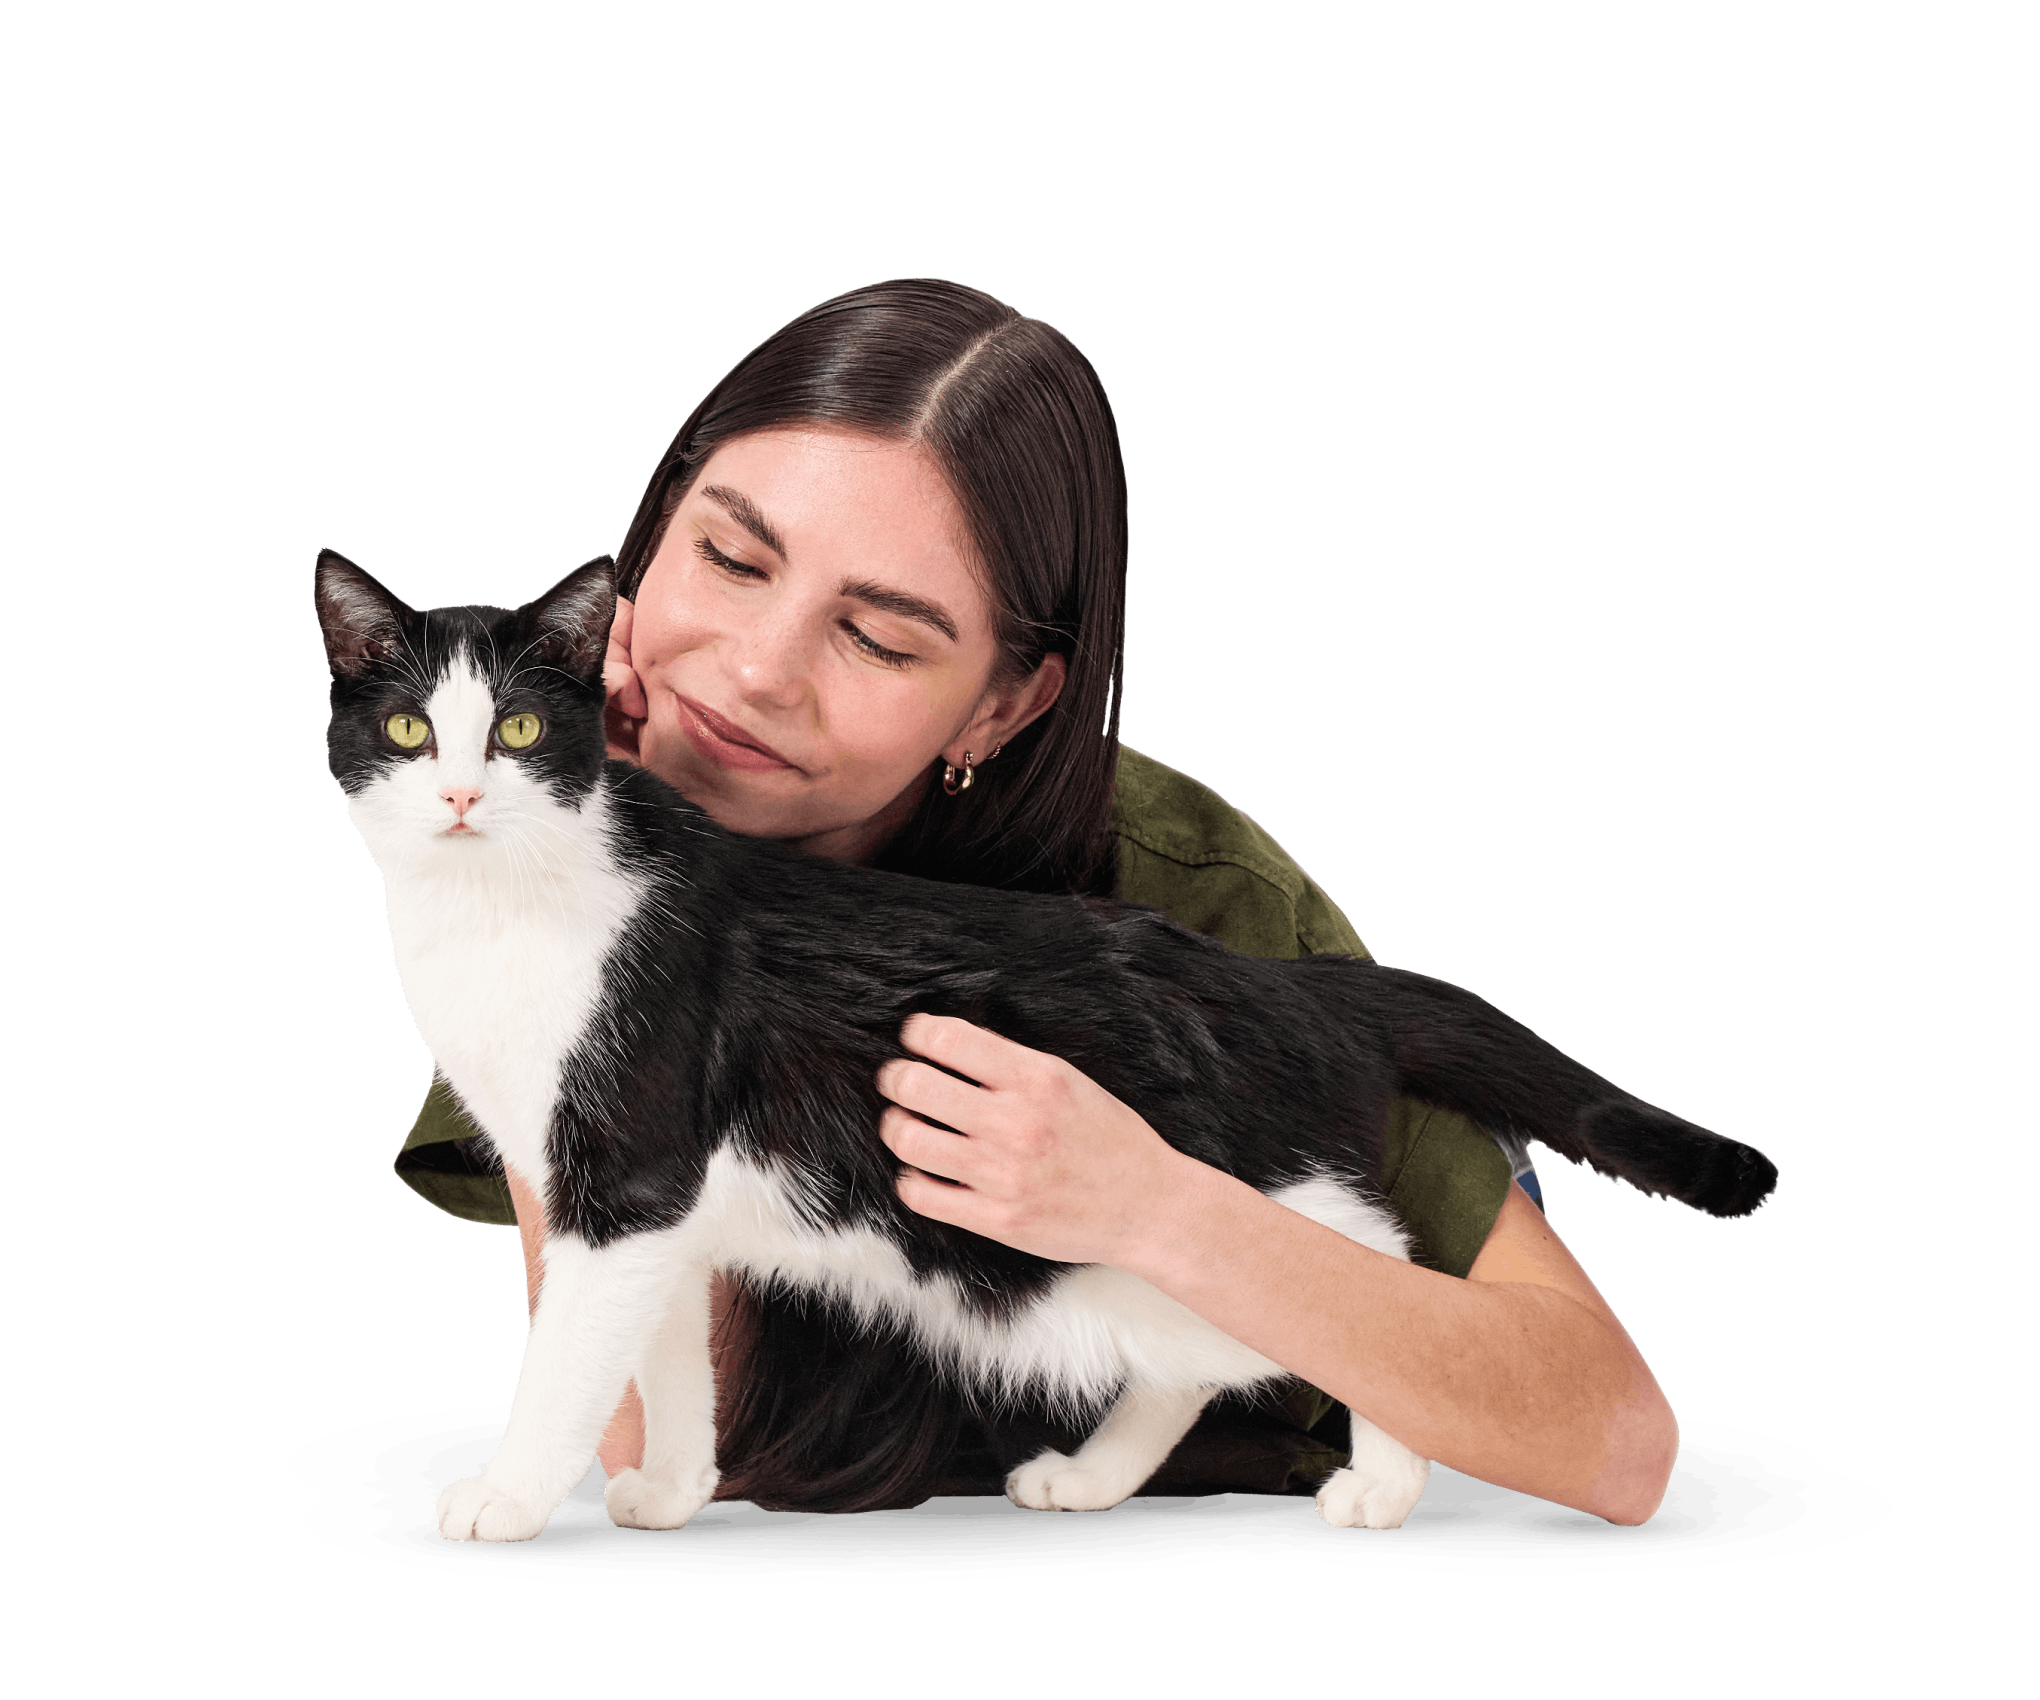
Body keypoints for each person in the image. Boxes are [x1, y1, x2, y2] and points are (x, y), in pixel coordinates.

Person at [395, 277, 1679, 1526]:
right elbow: (648, 1421)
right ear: (653, 531)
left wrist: (1159, 1207)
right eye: (730, 558)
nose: (755, 672)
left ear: (1002, 704)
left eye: (880, 639)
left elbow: (1613, 1443)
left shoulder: (1188, 901)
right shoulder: (513, 808)